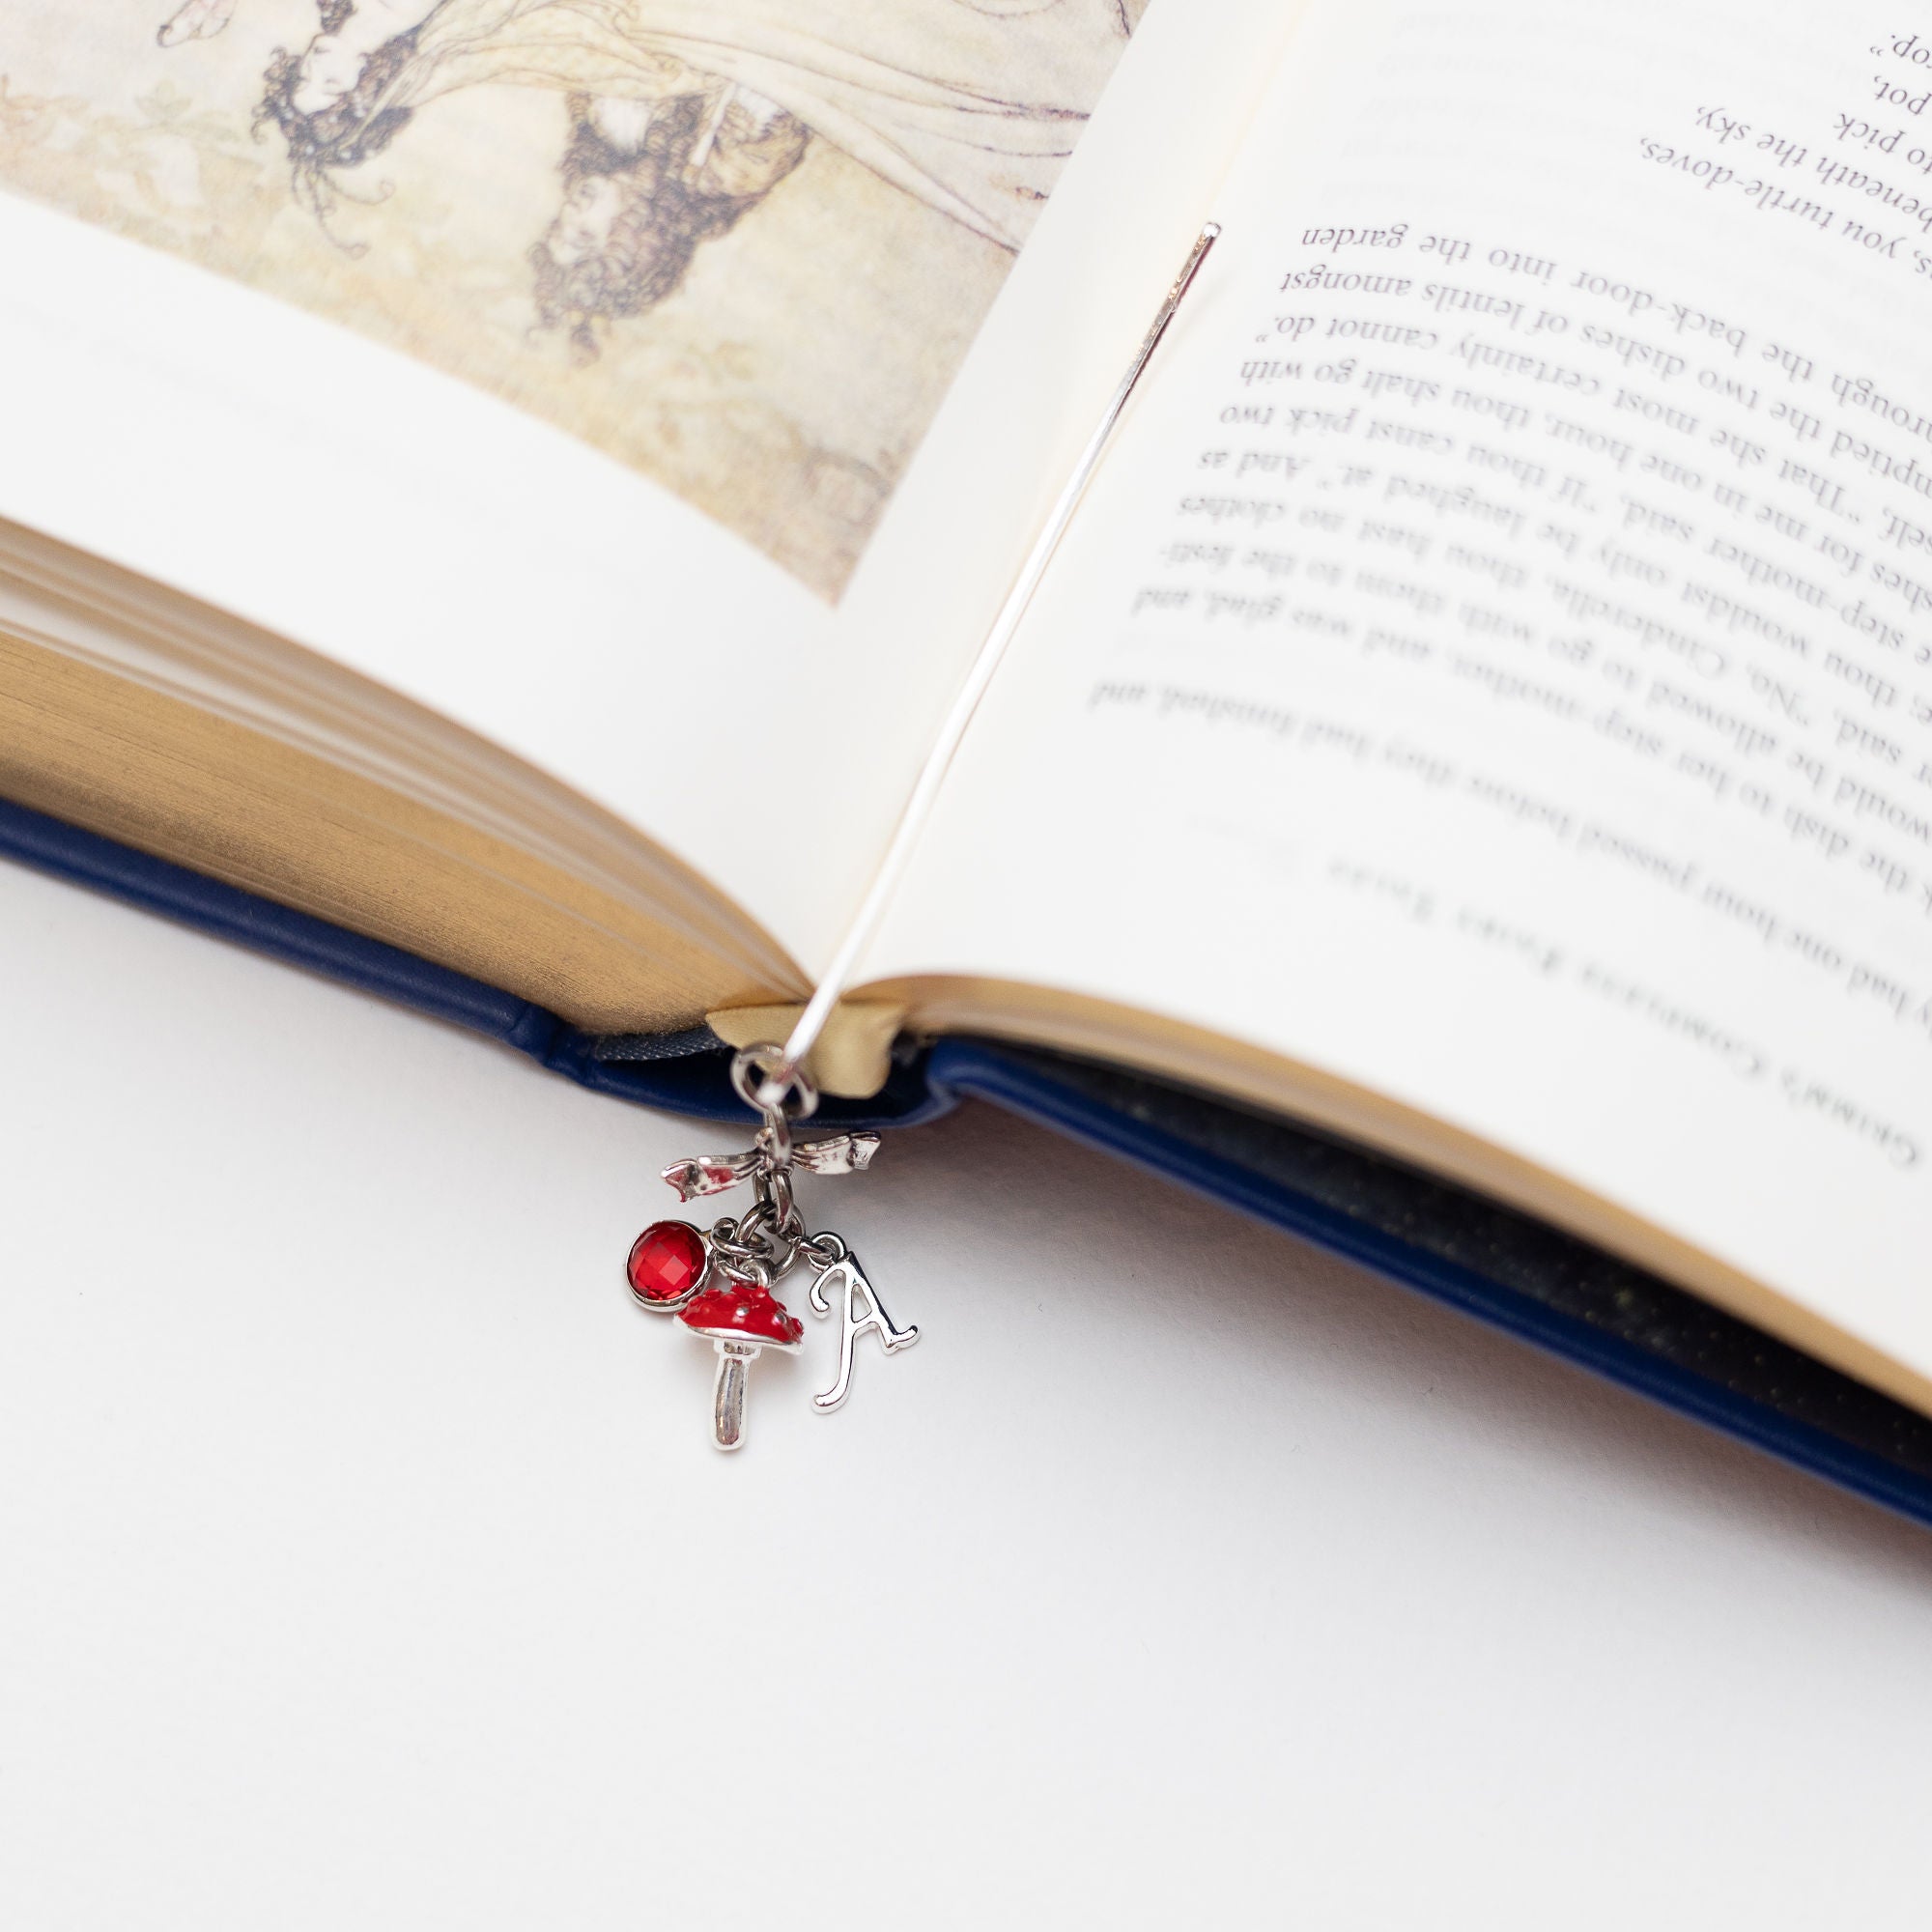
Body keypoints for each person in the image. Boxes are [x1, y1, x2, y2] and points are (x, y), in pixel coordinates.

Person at [253, 0, 1130, 253]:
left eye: (565, 219)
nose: (579, 209)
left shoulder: (600, 129)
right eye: (585, 231)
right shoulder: (695, 175)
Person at [528, 84, 809, 360]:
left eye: (558, 225)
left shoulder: (609, 127)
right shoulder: (728, 172)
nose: (570, 209)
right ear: (637, 245)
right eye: (584, 234)